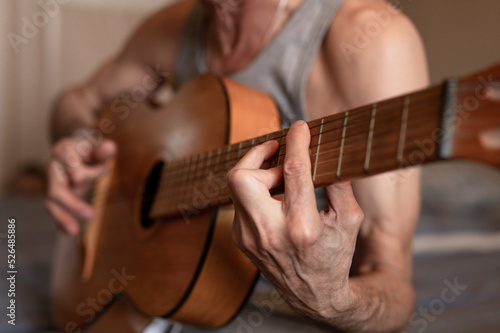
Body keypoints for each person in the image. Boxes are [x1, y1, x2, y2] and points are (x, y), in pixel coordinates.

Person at [45, 0, 428, 331]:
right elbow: (78, 100)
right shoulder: (174, 25)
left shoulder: (372, 39)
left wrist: (334, 300)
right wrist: (80, 139)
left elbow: (393, 280)